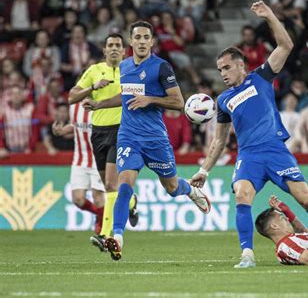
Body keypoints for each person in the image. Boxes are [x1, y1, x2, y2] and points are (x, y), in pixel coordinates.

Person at [190, 1, 308, 268]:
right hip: (249, 156)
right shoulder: (223, 100)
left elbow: (286, 46)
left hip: (274, 150)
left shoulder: (260, 77)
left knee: (306, 200)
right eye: (219, 70)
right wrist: (205, 170)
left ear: (239, 65)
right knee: (241, 195)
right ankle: (247, 254)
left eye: (226, 68)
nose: (222, 74)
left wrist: (270, 16)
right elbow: (219, 140)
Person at [86, 21, 211, 261]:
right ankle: (118, 237)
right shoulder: (124, 66)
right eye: (137, 38)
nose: (142, 42)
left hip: (155, 139)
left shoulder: (162, 67)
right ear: (130, 42)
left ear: (152, 42)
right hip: (128, 137)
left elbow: (178, 102)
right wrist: (99, 104)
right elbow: (125, 96)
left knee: (172, 187)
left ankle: (191, 191)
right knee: (124, 185)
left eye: (146, 37)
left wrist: (150, 99)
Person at [68, 33, 138, 252]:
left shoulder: (130, 69)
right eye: (110, 45)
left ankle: (105, 234)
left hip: (122, 130)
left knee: (109, 185)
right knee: (111, 186)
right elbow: (72, 97)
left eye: (118, 45)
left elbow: (128, 97)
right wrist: (93, 88)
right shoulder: (94, 71)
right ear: (104, 50)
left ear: (124, 50)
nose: (115, 48)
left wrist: (101, 104)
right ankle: (131, 202)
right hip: (98, 133)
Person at [52, 102, 105, 236]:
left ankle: (103, 229)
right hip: (80, 159)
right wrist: (62, 130)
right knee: (78, 199)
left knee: (98, 197)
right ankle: (101, 215)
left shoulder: (102, 104)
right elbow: (76, 125)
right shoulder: (74, 106)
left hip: (98, 159)